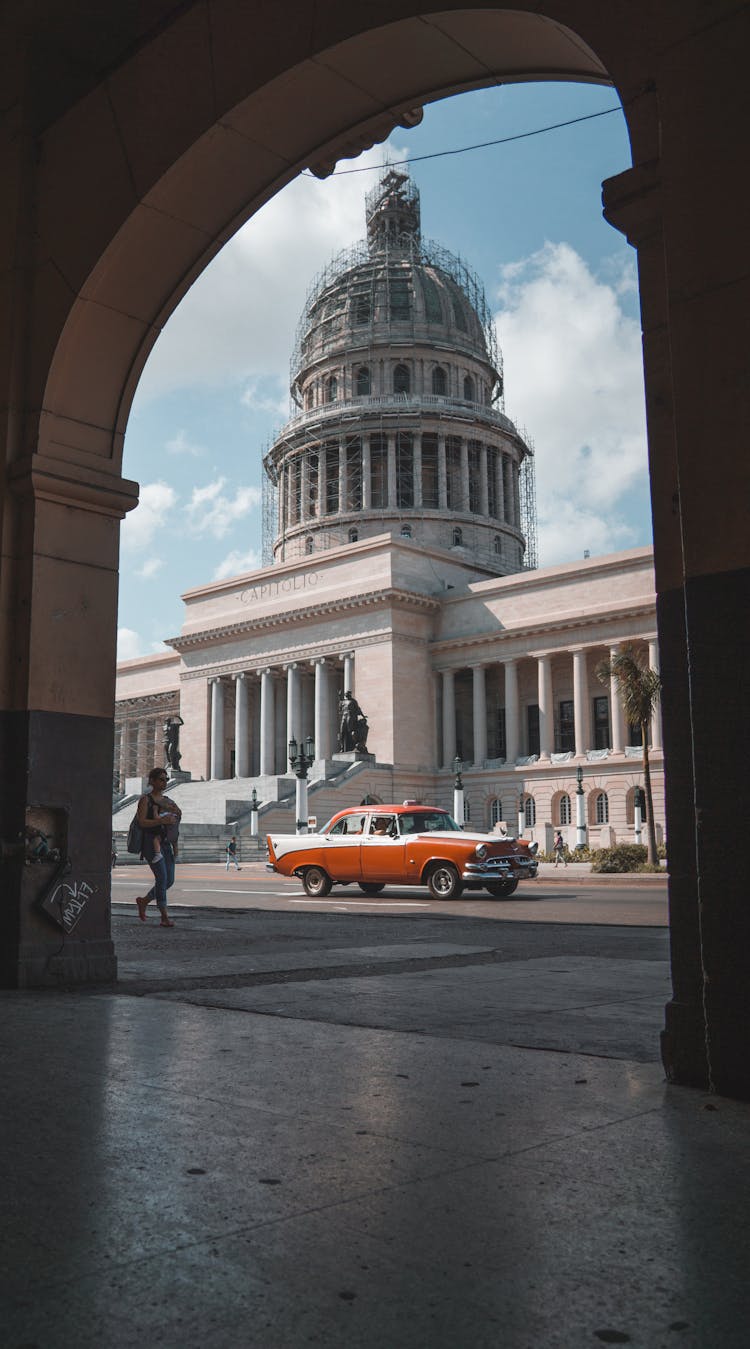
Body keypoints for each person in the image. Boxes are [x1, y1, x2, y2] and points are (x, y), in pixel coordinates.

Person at [133, 767, 181, 927]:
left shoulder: (167, 800)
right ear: (152, 781)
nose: (164, 782)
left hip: (166, 843)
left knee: (169, 881)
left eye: (166, 779)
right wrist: (161, 821)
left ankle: (144, 901)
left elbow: (174, 824)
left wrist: (175, 844)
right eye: (161, 779)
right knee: (161, 878)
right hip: (150, 843)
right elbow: (142, 822)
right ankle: (164, 916)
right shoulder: (146, 800)